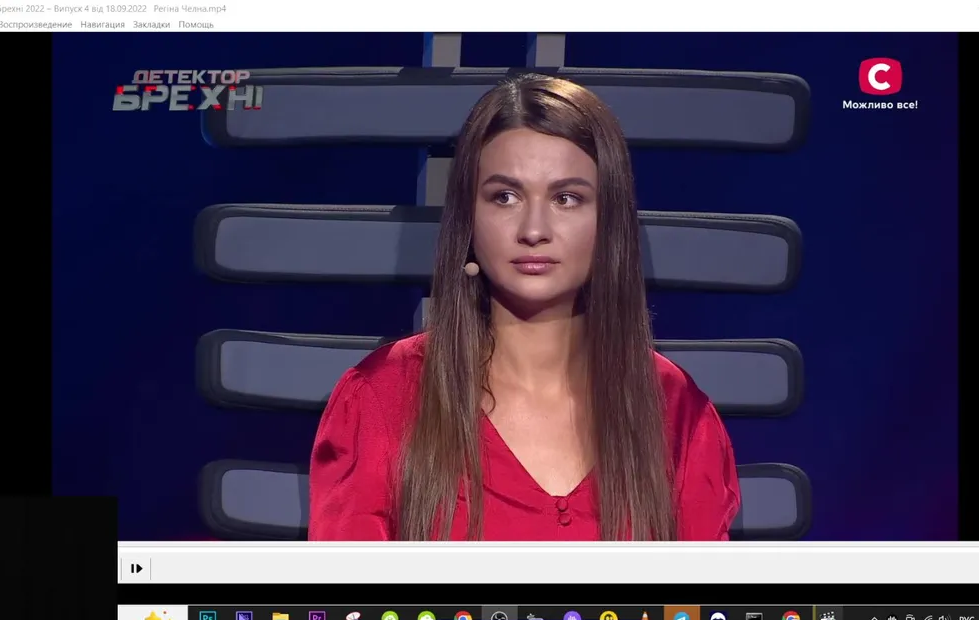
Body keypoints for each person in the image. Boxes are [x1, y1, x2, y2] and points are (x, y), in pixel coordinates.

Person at [309, 73, 740, 541]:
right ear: (468, 216)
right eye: (505, 197)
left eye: (567, 198)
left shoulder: (676, 411)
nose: (534, 230)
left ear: (608, 220)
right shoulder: (381, 398)